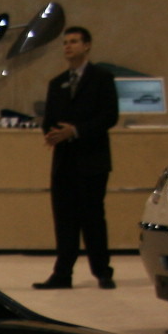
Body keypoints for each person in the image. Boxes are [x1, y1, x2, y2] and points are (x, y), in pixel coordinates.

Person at [33, 26, 118, 290]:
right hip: (64, 161)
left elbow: (109, 116)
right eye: (65, 42)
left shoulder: (102, 78)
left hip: (92, 161)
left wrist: (76, 131)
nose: (68, 46)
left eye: (74, 42)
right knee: (64, 220)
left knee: (93, 218)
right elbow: (48, 120)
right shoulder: (57, 83)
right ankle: (62, 274)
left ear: (87, 45)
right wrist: (52, 134)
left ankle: (102, 272)